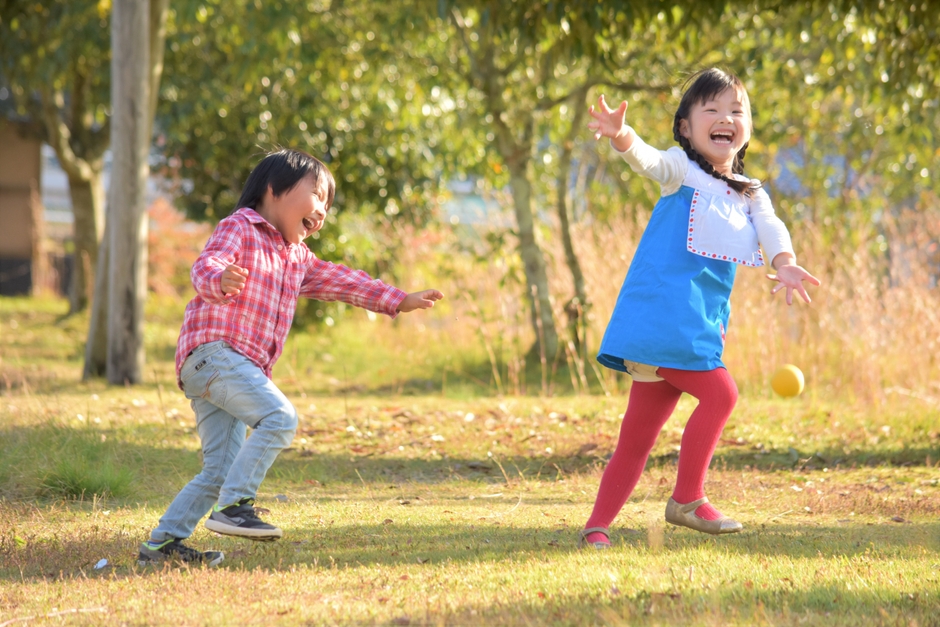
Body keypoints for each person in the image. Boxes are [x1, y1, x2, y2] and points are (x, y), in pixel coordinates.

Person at [138, 149, 443, 566]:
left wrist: (399, 300)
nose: (323, 211)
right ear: (274, 189)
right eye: (318, 194)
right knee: (280, 417)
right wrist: (220, 279)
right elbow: (206, 264)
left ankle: (162, 545)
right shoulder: (241, 227)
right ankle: (234, 508)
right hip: (214, 355)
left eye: (328, 205)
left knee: (220, 471)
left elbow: (342, 281)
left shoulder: (296, 258)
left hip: (228, 371)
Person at [579, 68, 820, 549]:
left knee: (637, 438)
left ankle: (596, 528)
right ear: (685, 128)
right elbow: (647, 160)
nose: (725, 118)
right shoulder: (680, 171)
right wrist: (622, 135)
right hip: (664, 319)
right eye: (710, 109)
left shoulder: (749, 191)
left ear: (746, 127)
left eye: (736, 110)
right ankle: (687, 499)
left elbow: (771, 227)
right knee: (722, 394)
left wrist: (786, 263)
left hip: (698, 326)